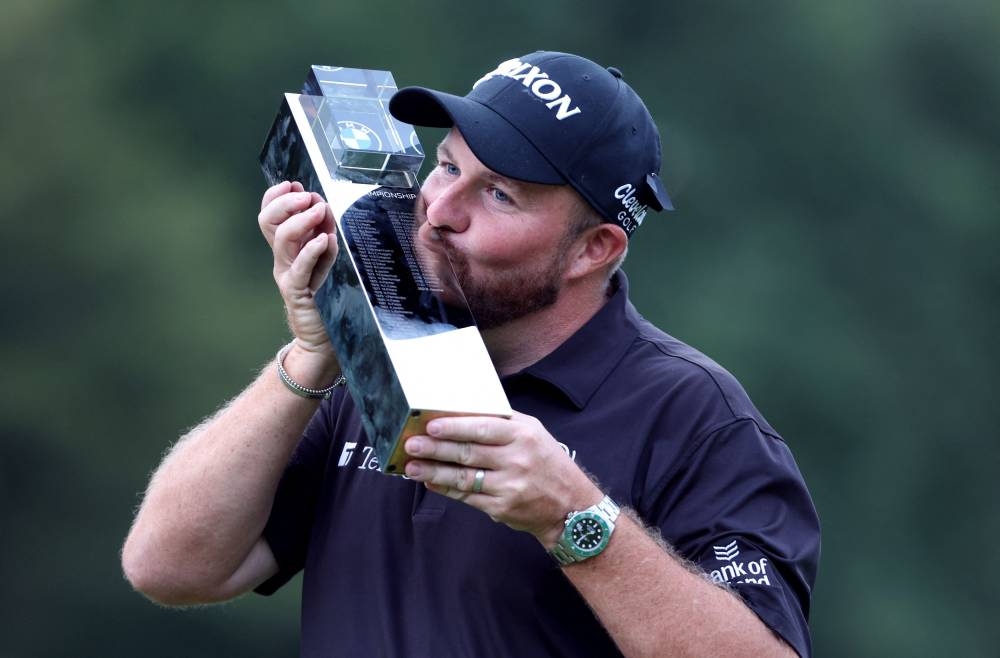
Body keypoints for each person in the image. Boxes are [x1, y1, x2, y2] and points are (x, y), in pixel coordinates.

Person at [122, 51, 820, 657]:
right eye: (446, 164)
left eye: (499, 195)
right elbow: (170, 566)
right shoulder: (375, 362)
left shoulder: (698, 418)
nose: (438, 210)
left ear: (594, 248)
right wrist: (310, 356)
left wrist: (572, 516)